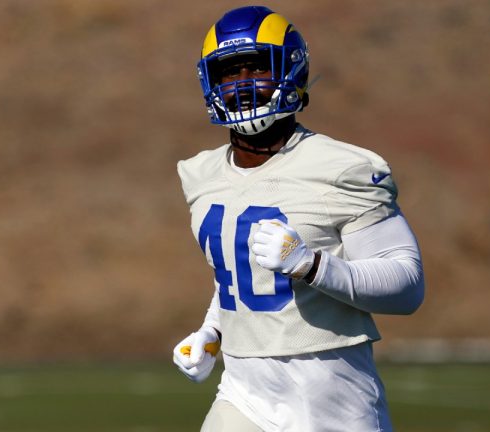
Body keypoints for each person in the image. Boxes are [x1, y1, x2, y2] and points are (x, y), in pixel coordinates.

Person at [172, 6, 425, 432]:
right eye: (230, 72)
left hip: (330, 397)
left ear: (292, 70)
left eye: (256, 67)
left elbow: (407, 287)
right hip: (243, 392)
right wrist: (212, 332)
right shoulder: (200, 174)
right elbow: (236, 271)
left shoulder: (342, 167)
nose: (243, 83)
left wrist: (312, 265)